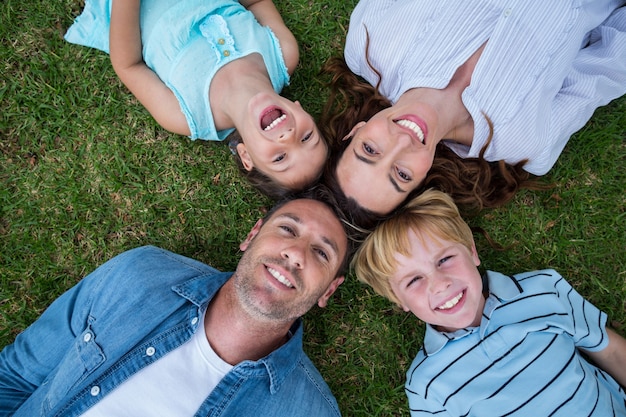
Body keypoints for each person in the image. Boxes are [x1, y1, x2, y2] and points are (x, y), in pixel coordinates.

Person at [0, 194, 351, 416]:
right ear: (252, 235)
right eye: (288, 229)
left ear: (328, 291)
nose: (295, 253)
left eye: (321, 253)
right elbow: (14, 377)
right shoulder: (140, 277)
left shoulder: (309, 411)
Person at [320, 0, 626, 224]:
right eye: (401, 174)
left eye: (370, 149)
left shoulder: (367, 42)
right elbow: (611, 64)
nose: (401, 143)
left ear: (356, 130)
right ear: (423, 179)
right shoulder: (526, 141)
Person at [352, 189, 626, 416]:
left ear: (471, 251)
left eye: (444, 259)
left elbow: (611, 351)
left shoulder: (542, 291)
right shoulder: (427, 384)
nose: (440, 283)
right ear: (400, 301)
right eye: (414, 280)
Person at [64, 0, 328, 198]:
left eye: (280, 159)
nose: (288, 138)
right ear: (301, 109)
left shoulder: (186, 115)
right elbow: (256, 2)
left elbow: (129, 65)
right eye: (307, 138)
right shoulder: (283, 54)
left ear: (246, 156)